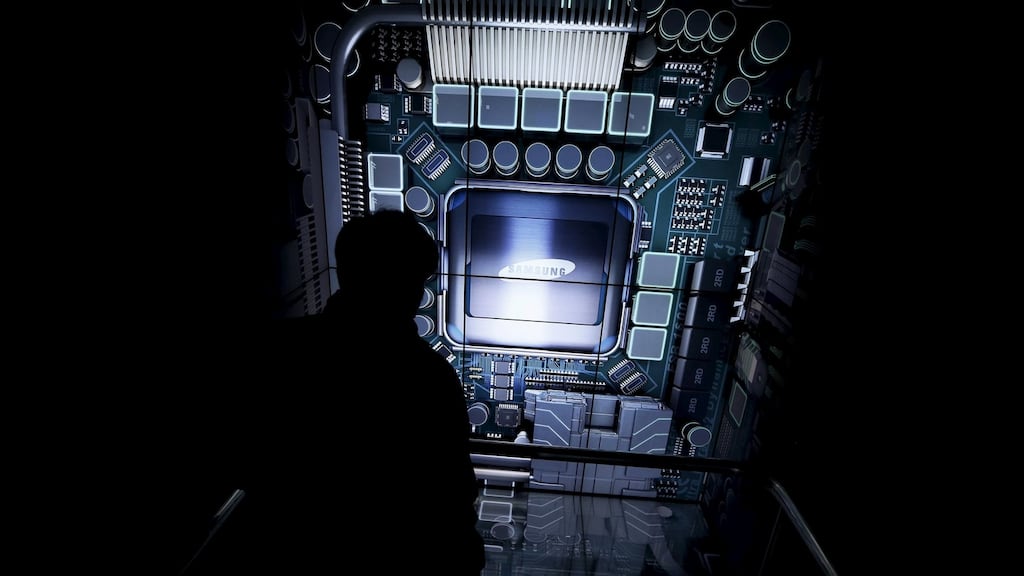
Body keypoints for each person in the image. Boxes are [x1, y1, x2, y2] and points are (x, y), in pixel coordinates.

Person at [183, 210, 485, 575]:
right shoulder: (429, 378)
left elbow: (235, 458)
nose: (419, 292)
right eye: (417, 278)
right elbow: (449, 497)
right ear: (410, 284)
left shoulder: (277, 351)